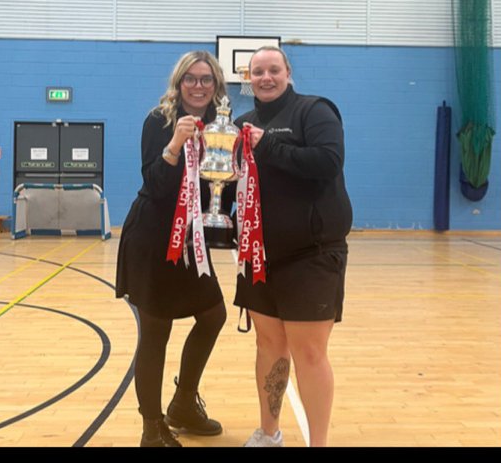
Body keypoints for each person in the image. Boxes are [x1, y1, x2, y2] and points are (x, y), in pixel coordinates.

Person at [234, 47, 353, 448]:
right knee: (268, 345)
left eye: (273, 70)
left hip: (312, 255)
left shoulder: (314, 111)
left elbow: (327, 162)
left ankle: (317, 443)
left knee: (310, 353)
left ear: (288, 72)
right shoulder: (240, 124)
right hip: (260, 255)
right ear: (246, 78)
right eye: (257, 72)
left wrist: (268, 146)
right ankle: (269, 434)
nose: (265, 78)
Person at [114, 51, 229, 447]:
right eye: (190, 79)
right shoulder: (159, 121)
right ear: (178, 83)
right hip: (154, 236)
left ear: (217, 85)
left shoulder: (223, 126)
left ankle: (182, 403)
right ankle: (152, 427)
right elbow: (156, 184)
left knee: (213, 315)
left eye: (206, 79)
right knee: (156, 331)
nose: (198, 86)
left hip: (192, 240)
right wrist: (176, 143)